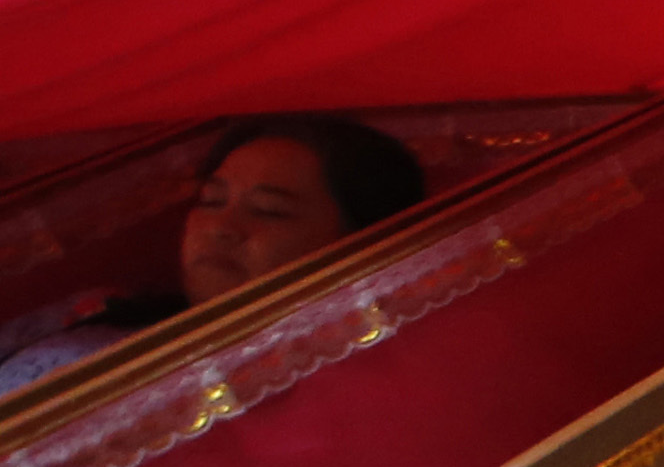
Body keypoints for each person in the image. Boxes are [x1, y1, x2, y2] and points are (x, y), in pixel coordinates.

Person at [0, 115, 426, 398]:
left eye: (269, 211)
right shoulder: (100, 307)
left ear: (355, 243)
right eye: (211, 201)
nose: (222, 227)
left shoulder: (306, 397)